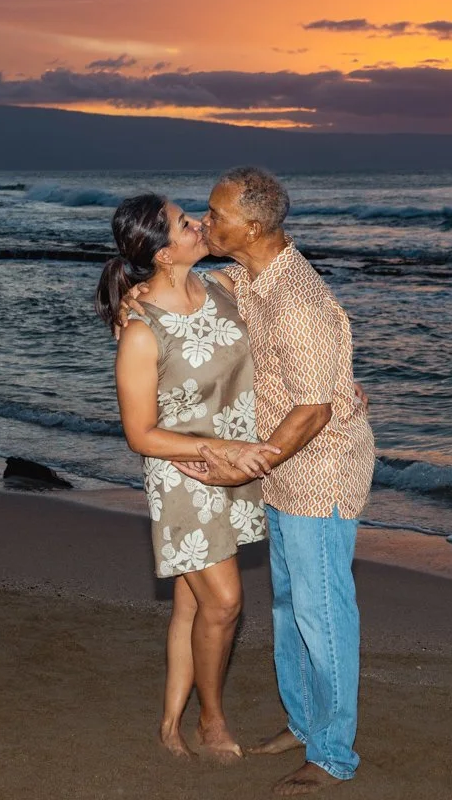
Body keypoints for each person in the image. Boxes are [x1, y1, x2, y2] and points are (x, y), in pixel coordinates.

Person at [175, 167, 377, 796]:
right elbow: (205, 285)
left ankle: (335, 754)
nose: (205, 222)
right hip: (285, 473)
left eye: (215, 214)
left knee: (323, 615)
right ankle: (303, 721)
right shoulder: (253, 277)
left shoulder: (301, 302)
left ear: (253, 226)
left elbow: (315, 408)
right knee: (289, 608)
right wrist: (149, 288)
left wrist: (248, 461)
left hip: (319, 473)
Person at [96, 193, 279, 762]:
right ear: (161, 251)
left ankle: (169, 723)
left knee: (191, 606)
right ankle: (211, 720)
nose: (199, 224)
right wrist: (218, 449)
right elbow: (141, 433)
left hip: (232, 466)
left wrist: (335, 381)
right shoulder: (141, 329)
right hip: (184, 474)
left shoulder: (224, 286)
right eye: (183, 223)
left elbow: (285, 334)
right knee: (224, 603)